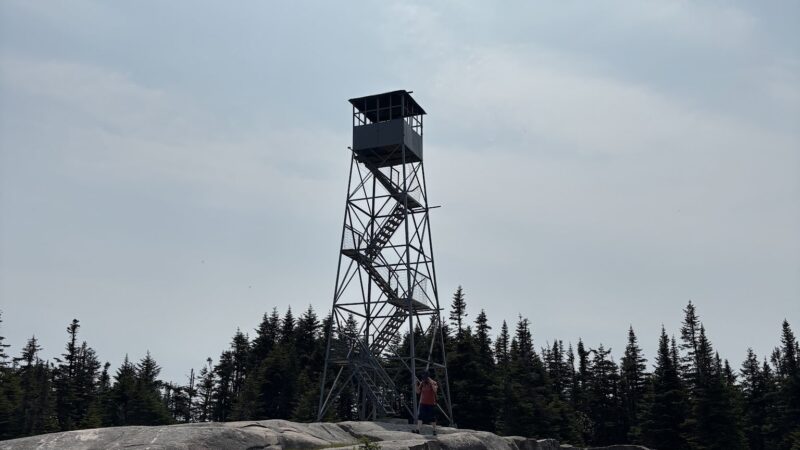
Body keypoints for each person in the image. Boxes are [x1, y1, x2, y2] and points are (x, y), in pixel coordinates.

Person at [413, 370, 438, 435]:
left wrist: (431, 383)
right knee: (420, 416)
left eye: (424, 377)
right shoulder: (422, 383)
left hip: (431, 403)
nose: (423, 378)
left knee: (432, 418)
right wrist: (416, 384)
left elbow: (435, 390)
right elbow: (418, 392)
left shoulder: (433, 382)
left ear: (427, 377)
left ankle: (434, 430)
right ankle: (417, 430)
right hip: (423, 402)